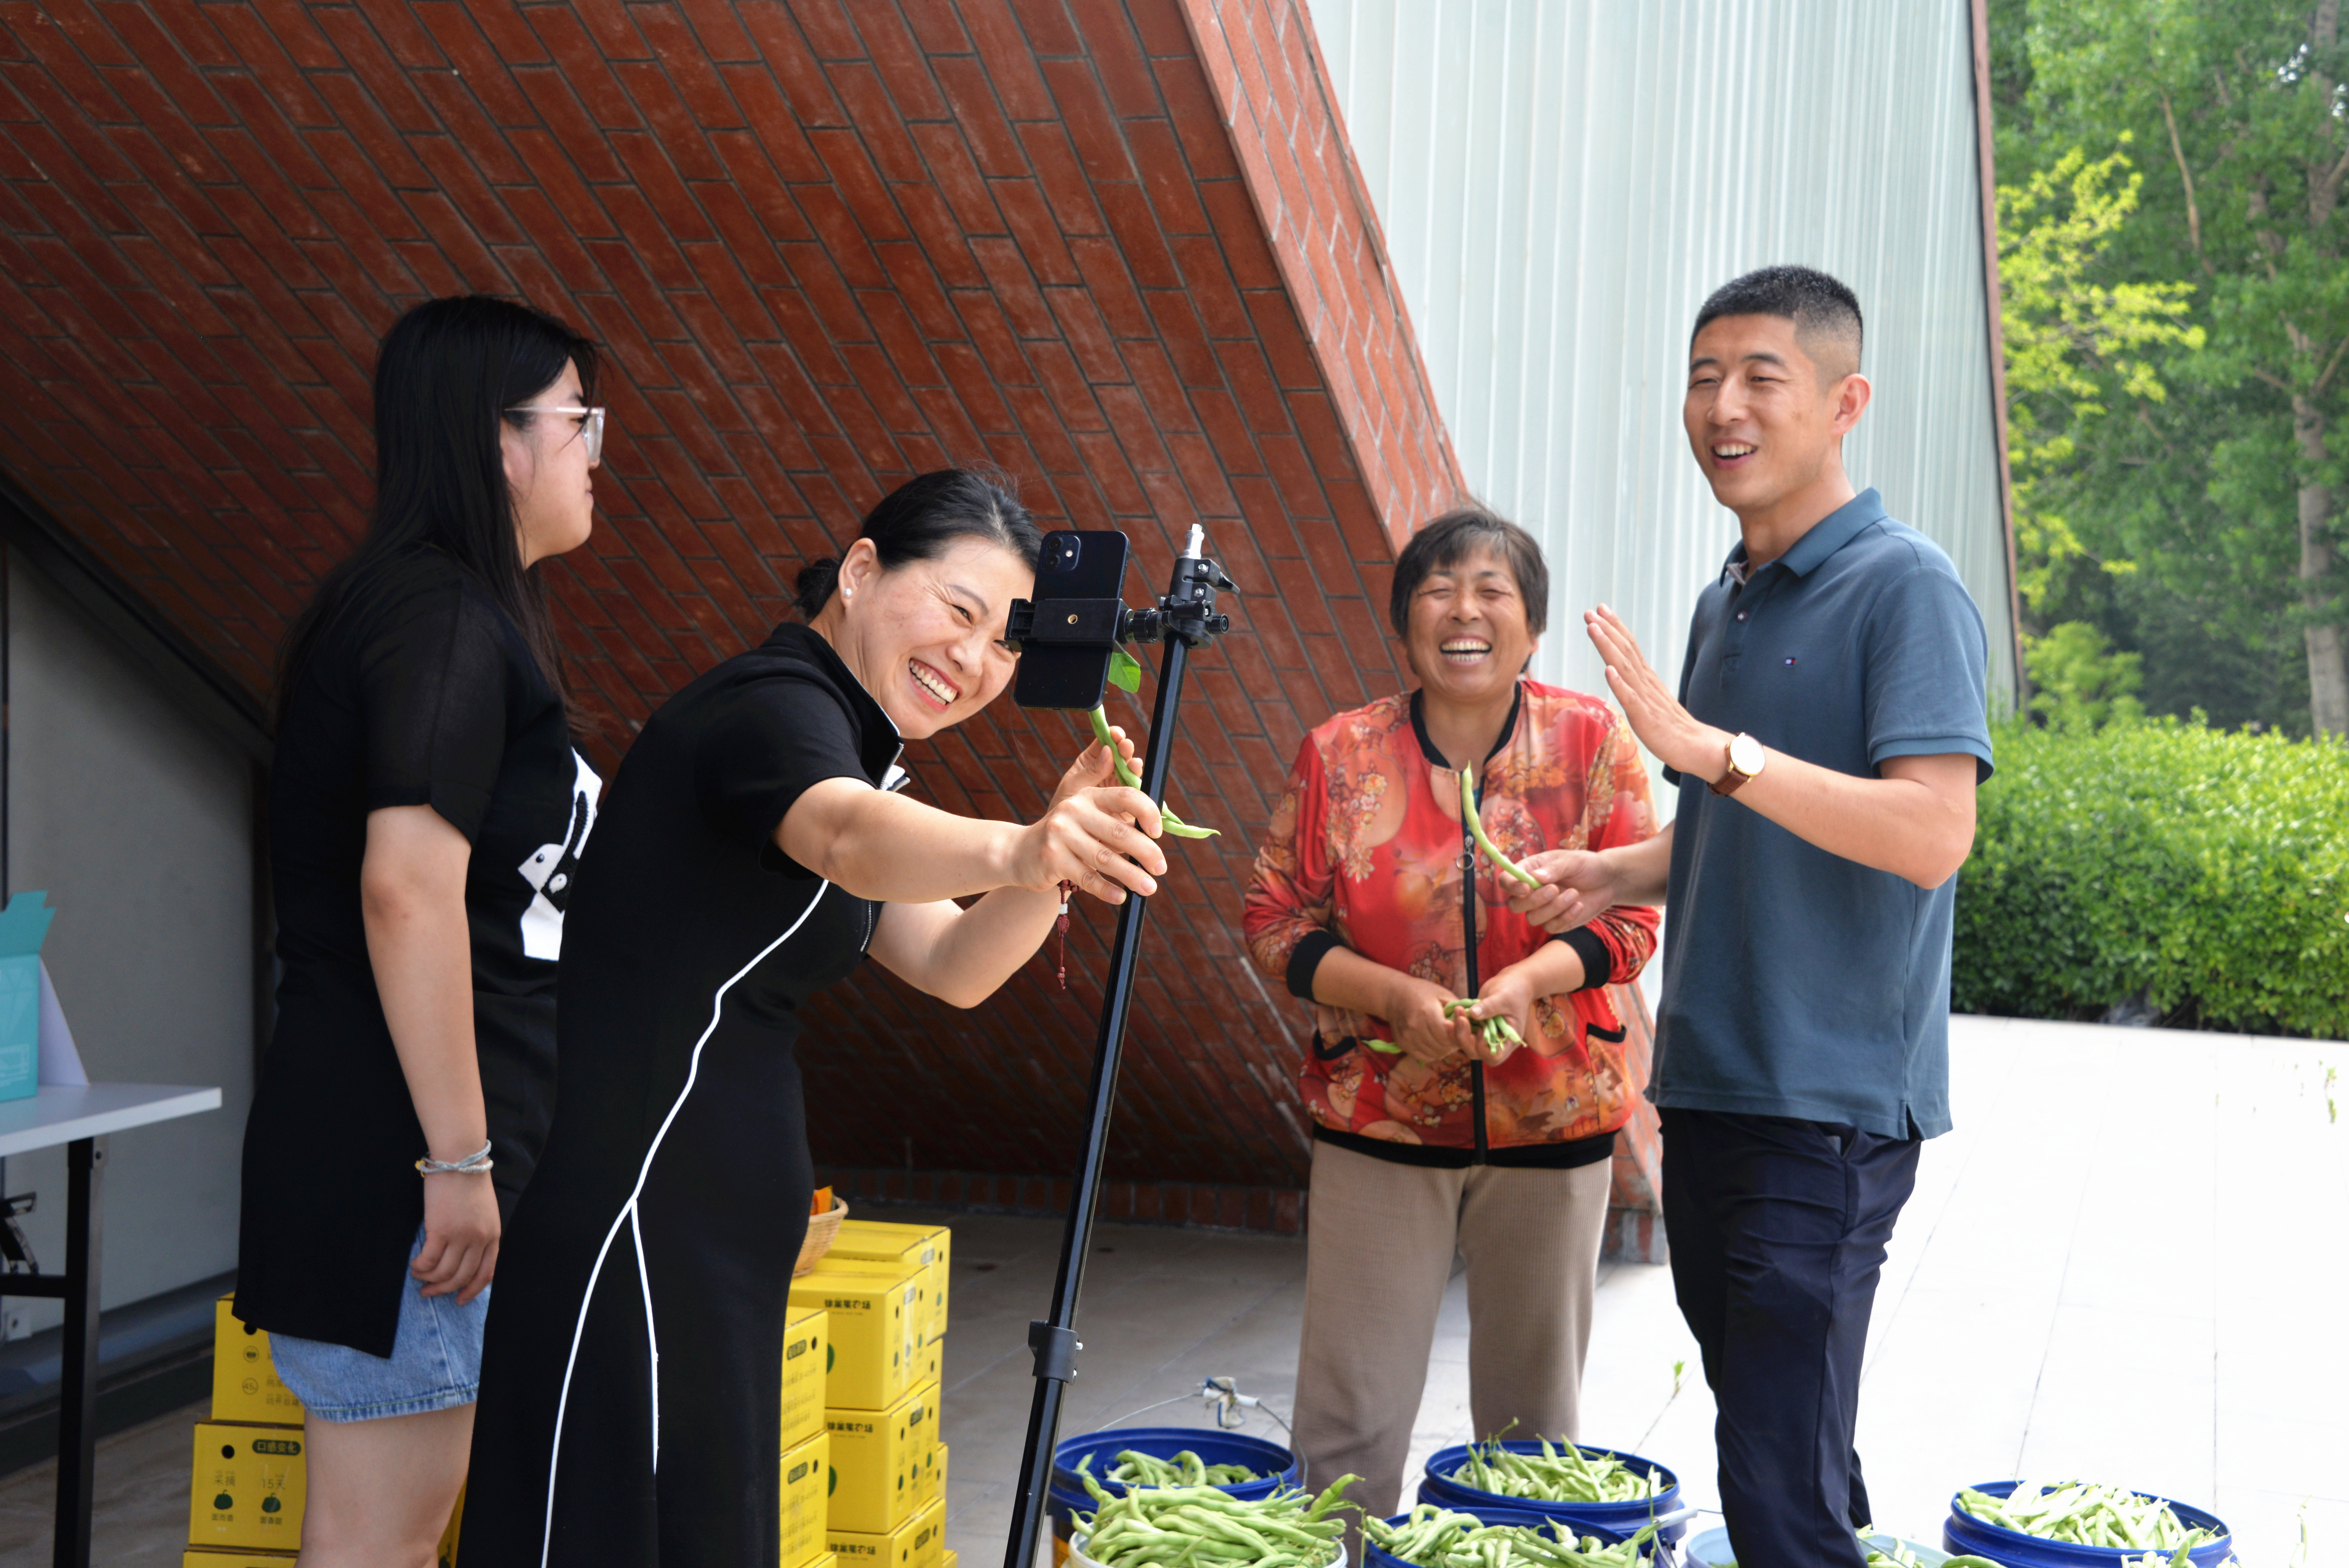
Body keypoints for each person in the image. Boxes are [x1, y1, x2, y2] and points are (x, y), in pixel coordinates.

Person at [460, 470, 1167, 1567]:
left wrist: (1052, 852)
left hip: (721, 1250)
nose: (974, 662)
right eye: (958, 611)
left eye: (1006, 644)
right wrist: (1021, 845)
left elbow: (953, 962)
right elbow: (842, 837)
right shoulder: (770, 713)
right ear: (861, 568)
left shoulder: (845, 747)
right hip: (634, 1236)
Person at [1505, 266, 1993, 1568]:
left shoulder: (1909, 589)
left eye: (1760, 378)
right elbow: (1751, 819)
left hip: (1826, 1109)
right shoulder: (1729, 594)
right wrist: (1621, 873)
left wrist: (1713, 751)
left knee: (1773, 1476)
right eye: (1703, 376)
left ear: (1847, 403)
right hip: (1714, 1092)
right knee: (1788, 1438)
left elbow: (1933, 834)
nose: (1722, 406)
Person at [233, 295, 607, 1567]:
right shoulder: (442, 617)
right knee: (377, 1547)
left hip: (394, 1160)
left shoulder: (423, 609)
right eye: (577, 422)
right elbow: (406, 886)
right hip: (405, 1173)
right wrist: (459, 1162)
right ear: (497, 442)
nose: (594, 453)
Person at [1242, 509, 1661, 1526]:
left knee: (1533, 1429)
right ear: (1404, 619)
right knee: (1348, 1417)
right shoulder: (1341, 756)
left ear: (1531, 625)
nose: (1464, 611)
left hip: (1556, 1120)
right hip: (1380, 1120)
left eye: (1492, 591)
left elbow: (1637, 920)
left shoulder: (1592, 741)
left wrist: (1532, 982)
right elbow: (1271, 920)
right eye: (1439, 589)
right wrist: (1394, 999)